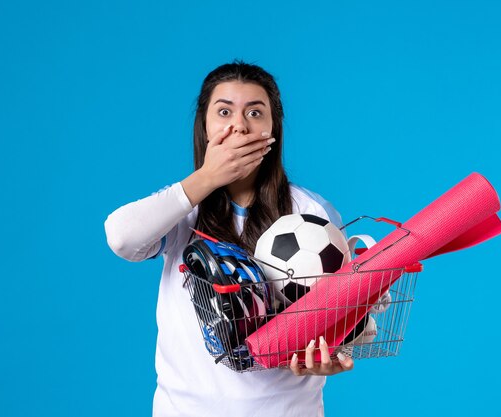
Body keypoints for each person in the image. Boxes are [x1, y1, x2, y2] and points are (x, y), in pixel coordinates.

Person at [104, 61, 354, 417]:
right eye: (224, 111)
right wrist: (207, 177)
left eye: (255, 112)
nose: (239, 125)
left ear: (274, 129)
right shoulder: (182, 210)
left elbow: (342, 312)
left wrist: (329, 353)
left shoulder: (311, 212)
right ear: (204, 126)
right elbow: (121, 238)